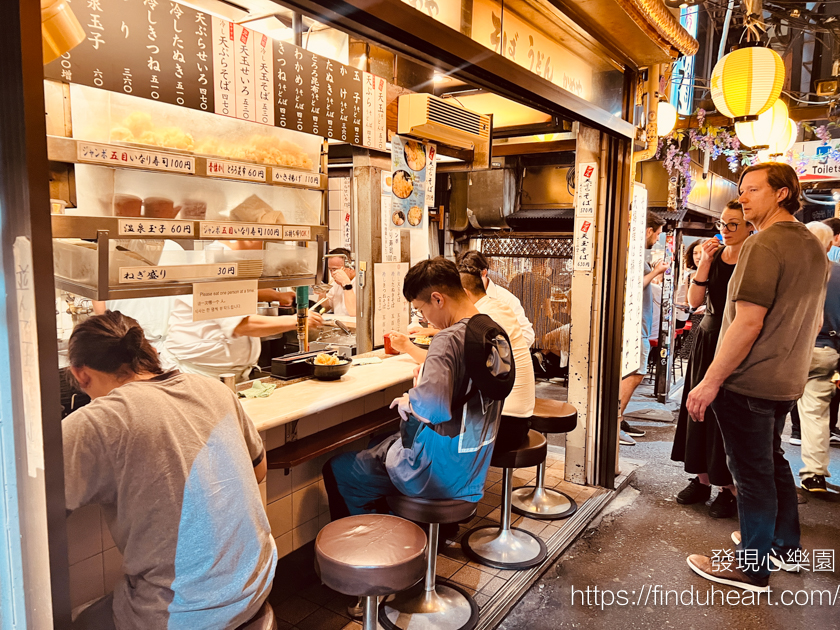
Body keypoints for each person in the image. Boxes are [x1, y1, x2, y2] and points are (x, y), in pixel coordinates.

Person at [64, 312, 276, 630]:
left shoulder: (97, 422)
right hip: (256, 585)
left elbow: (31, 509)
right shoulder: (214, 388)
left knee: (73, 621)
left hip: (184, 614)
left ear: (80, 374)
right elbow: (259, 470)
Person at [685, 162, 829, 593]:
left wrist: (710, 382)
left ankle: (752, 568)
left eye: (750, 191)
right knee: (773, 463)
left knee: (750, 475)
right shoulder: (812, 245)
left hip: (748, 381)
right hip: (786, 379)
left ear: (782, 193)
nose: (742, 198)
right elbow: (814, 318)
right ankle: (781, 545)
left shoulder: (762, 245)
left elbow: (746, 323)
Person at [322, 257, 509, 518]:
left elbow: (432, 410)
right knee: (380, 441)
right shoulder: (492, 330)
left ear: (438, 299)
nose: (424, 318)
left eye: (421, 309)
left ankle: (367, 548)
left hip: (435, 474)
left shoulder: (446, 340)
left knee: (339, 468)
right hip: (472, 468)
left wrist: (410, 398)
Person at [671, 201, 750, 519]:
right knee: (697, 410)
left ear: (749, 226)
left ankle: (725, 487)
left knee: (724, 415)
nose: (726, 230)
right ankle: (701, 479)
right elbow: (693, 301)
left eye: (734, 224)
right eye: (723, 223)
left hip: (734, 341)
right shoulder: (715, 256)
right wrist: (705, 260)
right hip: (707, 338)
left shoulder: (754, 258)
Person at [160, 296, 323, 381]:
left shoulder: (232, 268)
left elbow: (244, 292)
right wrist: (297, 320)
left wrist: (275, 294)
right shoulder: (212, 269)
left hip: (230, 376)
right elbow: (243, 326)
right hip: (196, 376)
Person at [617, 212, 668, 446]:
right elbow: (632, 288)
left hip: (639, 325)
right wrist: (656, 273)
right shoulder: (633, 256)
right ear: (648, 231)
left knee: (632, 372)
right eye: (657, 234)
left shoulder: (633, 254)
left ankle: (619, 419)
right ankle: (615, 422)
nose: (657, 239)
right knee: (635, 372)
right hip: (634, 327)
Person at [796, 221, 838, 493]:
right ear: (830, 243)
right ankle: (814, 474)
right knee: (816, 415)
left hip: (791, 349)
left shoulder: (792, 273)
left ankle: (767, 470)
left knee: (769, 411)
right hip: (826, 350)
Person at [455, 250, 535, 347]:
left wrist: (501, 352)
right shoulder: (462, 294)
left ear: (484, 273)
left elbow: (528, 336)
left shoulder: (505, 299)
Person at [317, 247, 357, 318]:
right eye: (330, 270)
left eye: (335, 270)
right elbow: (325, 308)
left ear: (351, 268)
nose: (332, 274)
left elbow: (353, 312)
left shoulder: (360, 284)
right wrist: (322, 294)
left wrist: (346, 283)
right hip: (339, 325)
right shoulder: (335, 284)